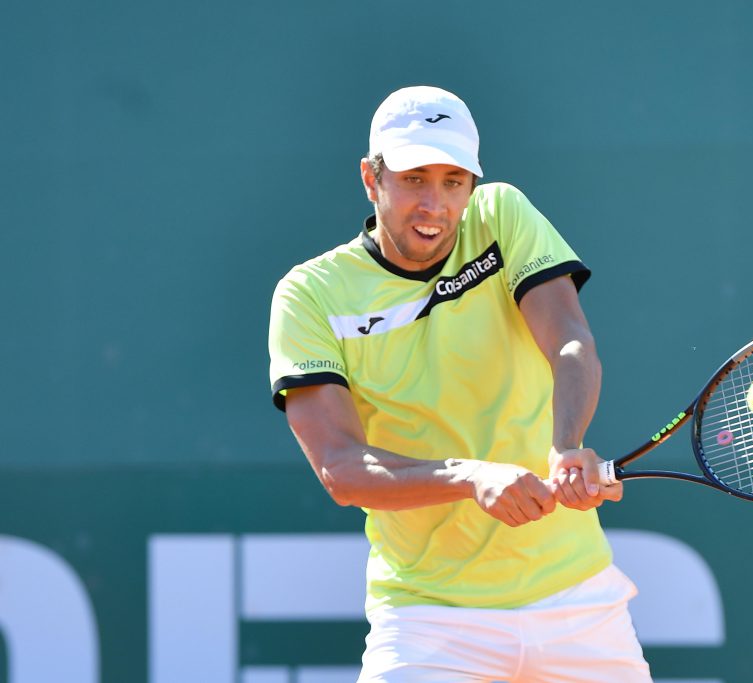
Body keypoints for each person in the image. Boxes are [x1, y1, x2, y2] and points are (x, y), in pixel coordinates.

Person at [268, 85, 651, 682]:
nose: (435, 204)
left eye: (453, 181)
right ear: (372, 180)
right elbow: (340, 468)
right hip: (429, 622)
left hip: (578, 602)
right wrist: (473, 477)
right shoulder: (310, 294)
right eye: (414, 178)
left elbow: (570, 340)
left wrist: (566, 443)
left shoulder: (500, 215)